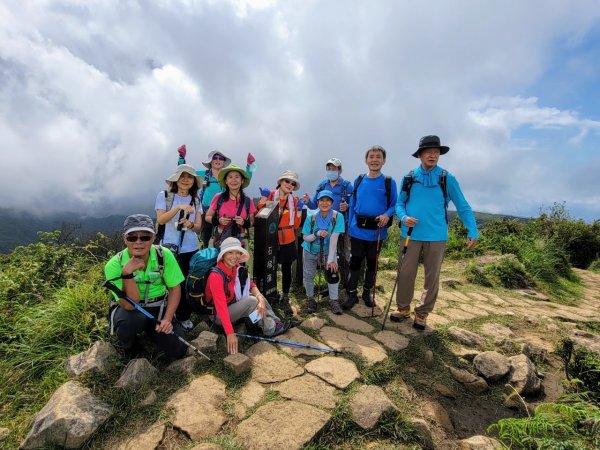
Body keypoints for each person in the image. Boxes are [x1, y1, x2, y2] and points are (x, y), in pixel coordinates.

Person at [392, 135, 478, 330]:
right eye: (428, 152)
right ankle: (403, 309)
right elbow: (399, 204)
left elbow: (462, 205)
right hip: (410, 234)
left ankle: (422, 314)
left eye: (436, 152)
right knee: (405, 274)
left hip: (437, 235)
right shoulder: (409, 177)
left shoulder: (447, 178)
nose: (433, 155)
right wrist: (404, 217)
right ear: (420, 155)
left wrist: (472, 229)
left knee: (432, 277)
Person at [105, 214, 187, 360]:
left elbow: (175, 288)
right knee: (132, 320)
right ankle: (130, 347)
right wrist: (127, 274)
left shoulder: (164, 255)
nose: (138, 242)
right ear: (125, 239)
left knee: (178, 349)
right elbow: (129, 305)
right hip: (130, 311)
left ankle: (152, 331)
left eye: (145, 237)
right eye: (132, 238)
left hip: (158, 307)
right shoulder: (114, 265)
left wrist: (167, 319)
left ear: (153, 237)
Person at [205, 237, 291, 354]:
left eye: (237, 253)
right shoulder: (216, 276)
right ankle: (269, 329)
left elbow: (250, 284)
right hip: (218, 315)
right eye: (230, 252)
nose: (234, 256)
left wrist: (260, 297)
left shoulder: (235, 268)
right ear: (223, 254)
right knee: (251, 301)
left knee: (257, 296)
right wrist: (230, 333)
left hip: (231, 304)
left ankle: (275, 322)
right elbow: (221, 308)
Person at [342, 145, 397, 310]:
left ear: (384, 161)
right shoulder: (359, 180)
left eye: (378, 157)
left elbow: (394, 204)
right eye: (371, 157)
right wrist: (350, 227)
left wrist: (387, 214)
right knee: (355, 263)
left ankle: (367, 293)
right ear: (366, 161)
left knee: (372, 264)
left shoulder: (388, 182)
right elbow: (352, 204)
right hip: (357, 230)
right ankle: (351, 294)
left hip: (377, 232)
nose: (374, 160)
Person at [155, 164, 203, 331]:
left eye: (189, 177)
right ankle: (171, 314)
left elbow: (198, 227)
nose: (185, 180)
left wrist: (190, 224)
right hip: (169, 247)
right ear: (176, 178)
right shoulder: (165, 196)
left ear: (194, 182)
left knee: (188, 283)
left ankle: (184, 315)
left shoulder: (196, 199)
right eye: (182, 176)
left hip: (190, 248)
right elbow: (161, 220)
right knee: (173, 283)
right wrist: (178, 208)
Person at [301, 158, 353, 287]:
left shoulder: (347, 185)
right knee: (326, 254)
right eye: (329, 169)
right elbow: (314, 206)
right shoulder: (322, 185)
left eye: (334, 169)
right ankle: (330, 281)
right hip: (324, 227)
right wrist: (307, 201)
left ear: (339, 170)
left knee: (343, 255)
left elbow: (354, 204)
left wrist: (347, 206)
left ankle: (345, 284)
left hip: (341, 226)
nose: (331, 171)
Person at [257, 170, 302, 313]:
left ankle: (285, 296)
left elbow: (295, 225)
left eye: (292, 183)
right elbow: (260, 214)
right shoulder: (270, 195)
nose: (289, 184)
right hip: (271, 237)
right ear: (280, 182)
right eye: (287, 181)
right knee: (270, 267)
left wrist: (299, 212)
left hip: (288, 238)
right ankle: (271, 293)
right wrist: (263, 200)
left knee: (286, 269)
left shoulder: (294, 201)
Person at [196, 151, 255, 248]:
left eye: (221, 158)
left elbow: (245, 176)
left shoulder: (229, 175)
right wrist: (181, 158)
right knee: (206, 238)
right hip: (208, 211)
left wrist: (249, 165)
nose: (218, 160)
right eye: (215, 158)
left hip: (225, 208)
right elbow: (188, 175)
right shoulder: (204, 174)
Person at [301, 190, 345, 314]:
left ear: (332, 203)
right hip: (310, 249)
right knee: (309, 275)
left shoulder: (337, 217)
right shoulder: (312, 218)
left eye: (327, 200)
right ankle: (310, 299)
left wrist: (331, 260)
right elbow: (305, 237)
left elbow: (334, 238)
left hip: (328, 250)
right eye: (321, 200)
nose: (324, 203)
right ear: (318, 202)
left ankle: (334, 300)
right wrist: (317, 233)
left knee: (333, 272)